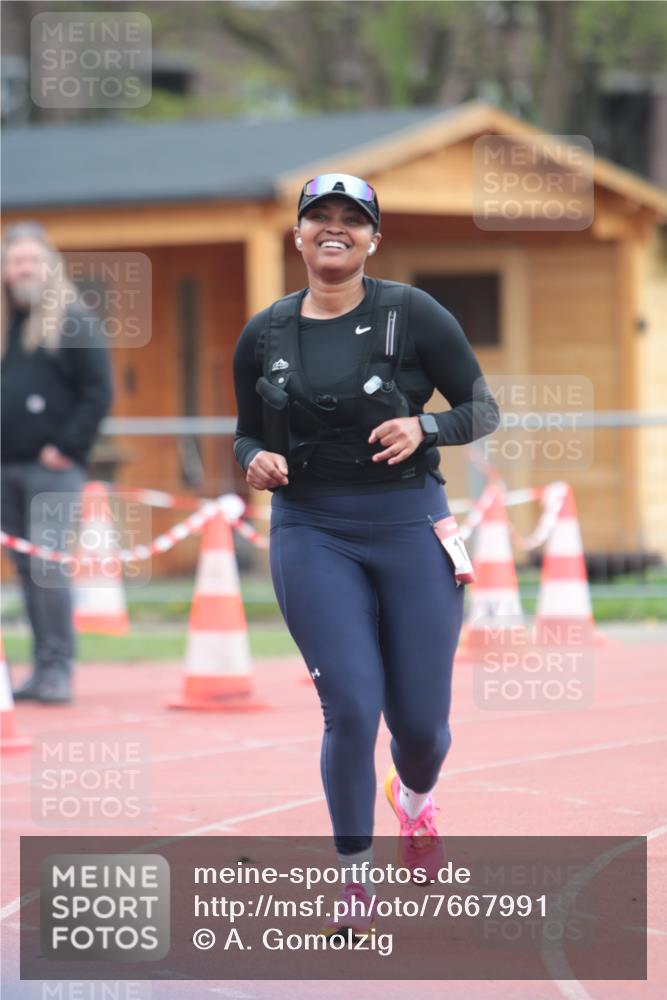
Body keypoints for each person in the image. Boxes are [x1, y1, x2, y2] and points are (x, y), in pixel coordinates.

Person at [232, 174, 499, 933]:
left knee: (421, 727)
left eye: (352, 219)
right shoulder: (265, 333)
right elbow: (244, 434)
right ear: (298, 235)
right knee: (350, 708)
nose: (334, 228)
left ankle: (413, 798)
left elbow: (482, 407)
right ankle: (355, 878)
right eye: (319, 217)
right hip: (312, 529)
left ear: (373, 239)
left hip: (411, 523)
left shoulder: (412, 313)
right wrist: (253, 460)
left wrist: (426, 428)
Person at [1, 223, 113, 704]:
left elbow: (98, 393)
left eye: (31, 260)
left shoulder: (73, 320)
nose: (23, 269)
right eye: (15, 261)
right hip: (7, 467)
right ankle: (40, 668)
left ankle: (58, 668)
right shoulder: (7, 325)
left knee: (48, 569)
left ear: (49, 266)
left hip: (52, 470)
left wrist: (66, 447)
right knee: (26, 571)